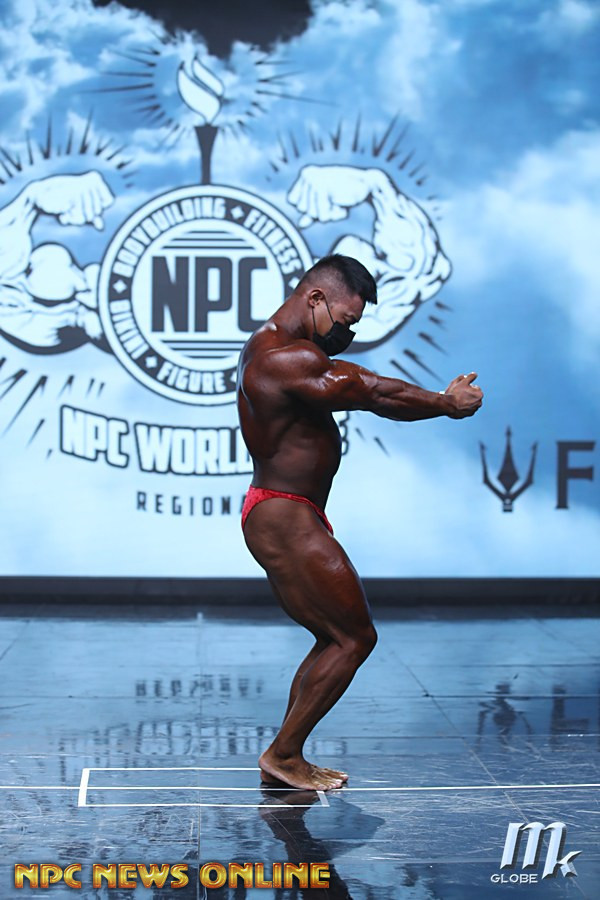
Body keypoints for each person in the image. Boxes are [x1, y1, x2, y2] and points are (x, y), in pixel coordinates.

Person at [236, 254, 483, 791]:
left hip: (289, 510)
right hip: (284, 514)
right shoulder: (285, 357)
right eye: (346, 321)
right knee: (354, 638)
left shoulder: (271, 345)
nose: (346, 333)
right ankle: (283, 755)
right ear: (315, 298)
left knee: (334, 637)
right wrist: (445, 403)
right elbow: (372, 391)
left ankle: (288, 753)